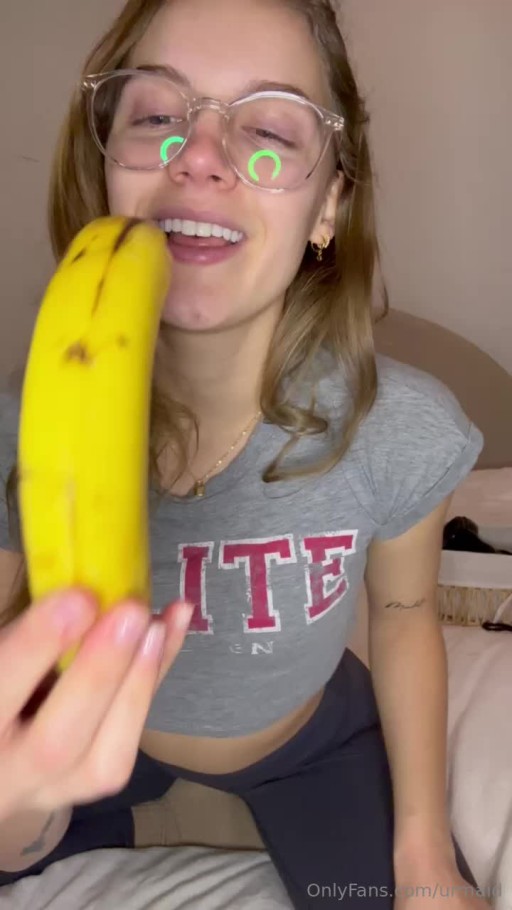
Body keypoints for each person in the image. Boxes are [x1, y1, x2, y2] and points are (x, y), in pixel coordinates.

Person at [0, 0, 489, 906]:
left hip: (305, 736)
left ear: (328, 205)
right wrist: (15, 802)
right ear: (104, 167)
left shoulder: (400, 428)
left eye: (268, 127)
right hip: (118, 737)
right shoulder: (22, 431)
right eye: (156, 113)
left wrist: (424, 854)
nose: (199, 155)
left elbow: (406, 611)